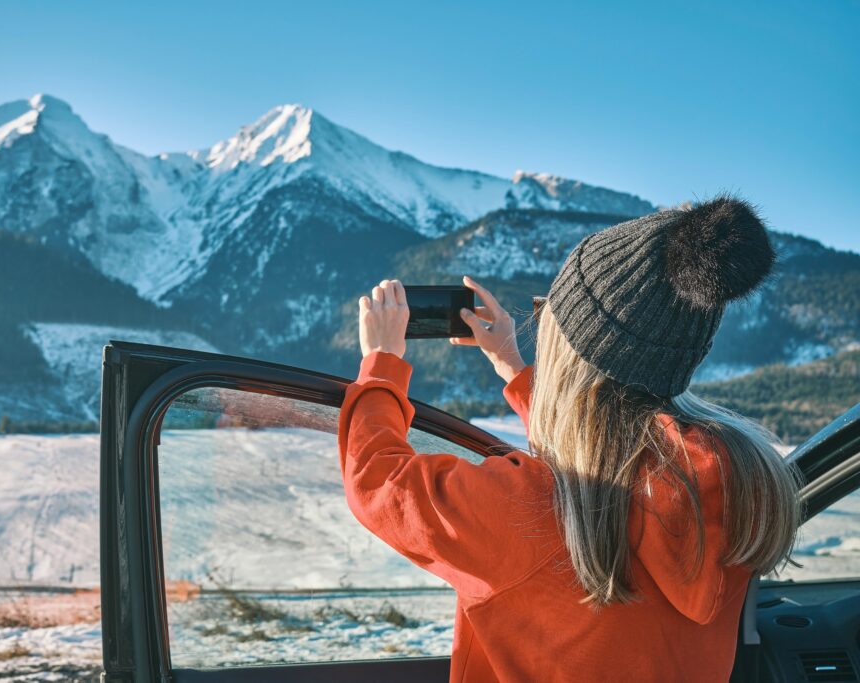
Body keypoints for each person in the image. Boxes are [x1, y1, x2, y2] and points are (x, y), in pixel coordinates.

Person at [337, 196, 802, 683]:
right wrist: (514, 368)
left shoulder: (526, 509)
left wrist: (382, 363)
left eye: (548, 315)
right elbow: (615, 451)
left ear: (569, 350)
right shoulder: (738, 484)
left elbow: (378, 483)